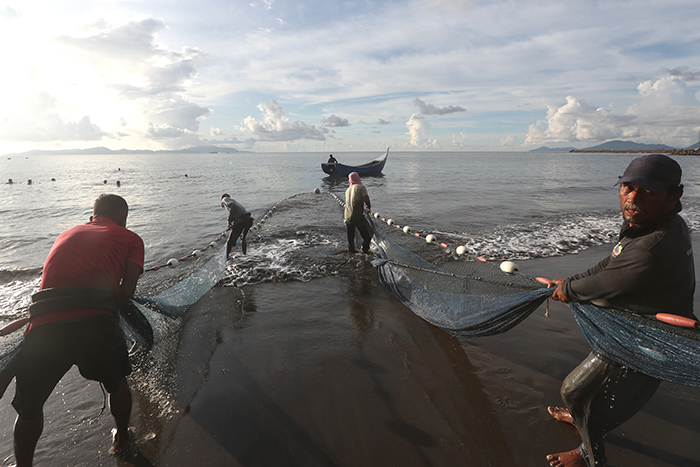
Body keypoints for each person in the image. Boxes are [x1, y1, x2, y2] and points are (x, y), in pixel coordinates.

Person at [541, 154, 695, 467]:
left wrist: (568, 290)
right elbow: (613, 262)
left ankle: (591, 457)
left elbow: (608, 281)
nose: (633, 198)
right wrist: (571, 281)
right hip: (628, 325)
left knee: (574, 391)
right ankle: (581, 417)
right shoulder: (646, 223)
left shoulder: (654, 246)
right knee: (581, 396)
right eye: (627, 187)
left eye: (648, 191)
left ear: (674, 196)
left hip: (651, 337)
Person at [12, 194, 144, 466]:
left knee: (29, 409)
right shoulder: (131, 238)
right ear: (123, 219)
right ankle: (121, 438)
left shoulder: (66, 233)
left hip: (43, 327)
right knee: (117, 383)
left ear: (91, 216)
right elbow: (127, 292)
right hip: (96, 325)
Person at [344, 172, 373, 254]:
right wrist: (368, 207)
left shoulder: (348, 190)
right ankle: (365, 251)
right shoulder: (361, 187)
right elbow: (366, 199)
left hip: (347, 216)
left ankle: (352, 252)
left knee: (351, 238)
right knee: (367, 237)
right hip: (357, 216)